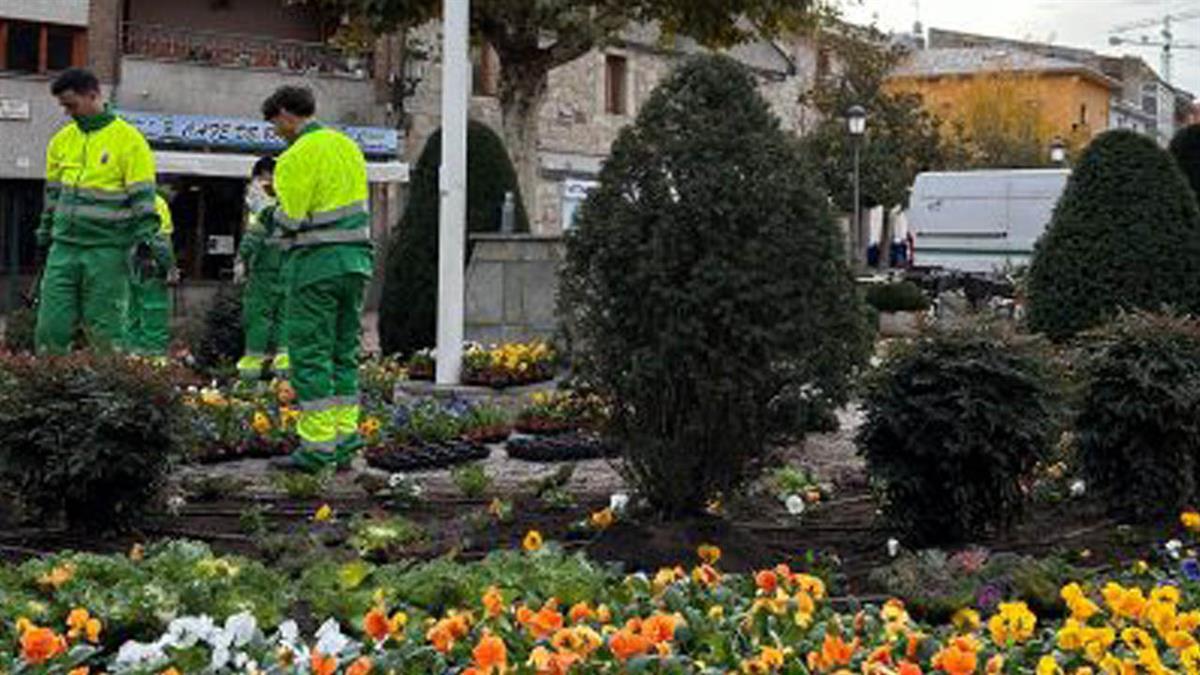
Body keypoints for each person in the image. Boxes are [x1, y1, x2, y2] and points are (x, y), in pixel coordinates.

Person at [252, 86, 372, 472]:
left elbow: (291, 222)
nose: (277, 134)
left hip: (317, 268)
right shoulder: (347, 147)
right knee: (343, 351)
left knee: (311, 354)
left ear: (287, 115)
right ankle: (345, 443)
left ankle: (317, 450)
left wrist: (267, 210)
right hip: (356, 263)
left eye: (276, 126)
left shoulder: (295, 156)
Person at [36, 68, 163, 354]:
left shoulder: (129, 140)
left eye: (72, 105)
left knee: (105, 330)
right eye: (64, 106)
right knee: (50, 327)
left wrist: (148, 241)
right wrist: (45, 230)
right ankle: (47, 390)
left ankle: (105, 393)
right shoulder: (61, 141)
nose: (68, 112)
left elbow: (143, 199)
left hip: (108, 250)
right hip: (64, 247)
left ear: (93, 96)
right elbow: (53, 194)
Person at [235, 157, 289, 382]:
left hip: (263, 274)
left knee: (257, 320)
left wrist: (240, 260)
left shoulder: (262, 204)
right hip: (288, 272)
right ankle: (285, 380)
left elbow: (253, 235)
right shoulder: (289, 201)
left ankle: (250, 377)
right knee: (284, 322)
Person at [126, 186, 176, 360]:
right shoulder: (157, 203)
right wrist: (171, 268)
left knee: (132, 314)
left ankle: (132, 357)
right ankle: (155, 360)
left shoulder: (127, 200)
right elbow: (160, 240)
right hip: (149, 268)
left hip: (128, 266)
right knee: (153, 311)